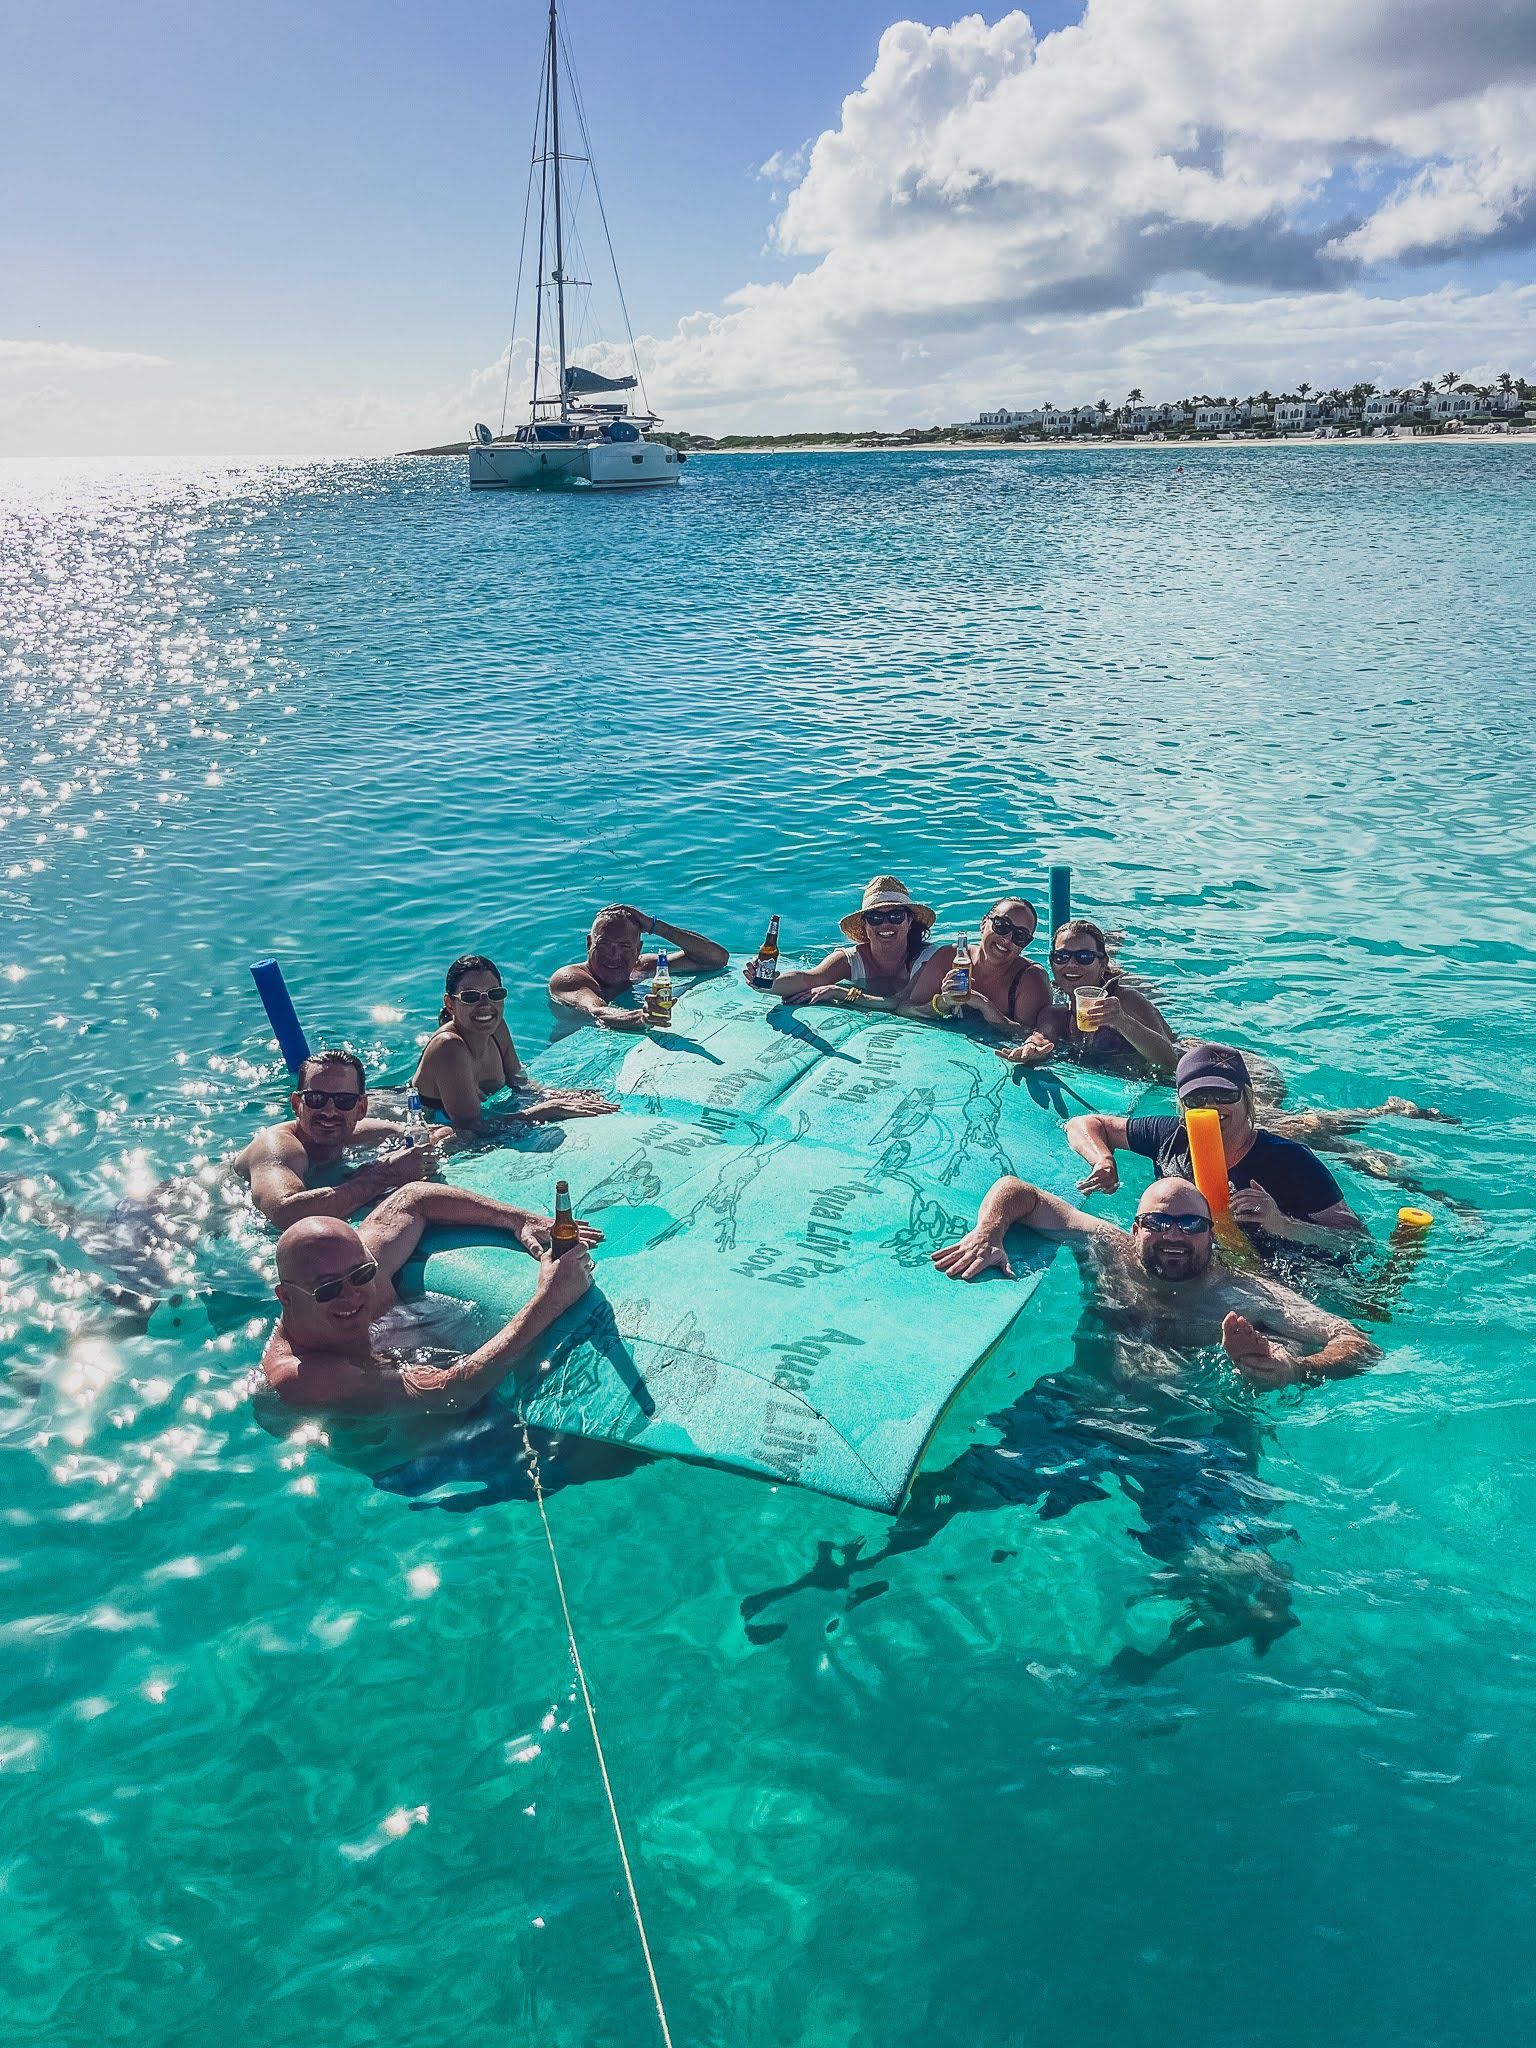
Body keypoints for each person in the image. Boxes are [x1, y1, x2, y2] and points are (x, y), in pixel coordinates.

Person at [739, 1174, 1375, 1673]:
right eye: (1158, 1222)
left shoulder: (1245, 1297)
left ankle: (1167, 1660)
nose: (1174, 1235)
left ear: (1211, 1234)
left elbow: (1355, 1343)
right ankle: (848, 1573)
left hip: (1190, 1439)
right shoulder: (1108, 1250)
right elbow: (1019, 1192)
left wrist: (1295, 1369)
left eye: (1190, 1224)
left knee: (1251, 1590)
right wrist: (988, 1232)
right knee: (949, 1491)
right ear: (1137, 1226)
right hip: (1077, 1412)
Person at [259, 1182, 602, 1414]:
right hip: (415, 1472)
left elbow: (413, 1198)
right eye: (328, 1289)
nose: (351, 1295)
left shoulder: (357, 1268)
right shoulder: (301, 1377)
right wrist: (551, 1298)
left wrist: (517, 1219)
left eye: (361, 1275)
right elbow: (451, 1393)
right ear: (286, 1297)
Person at [1065, 1042, 1364, 1253]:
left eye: (1224, 1095)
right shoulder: (1169, 1136)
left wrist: (1283, 1224)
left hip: (1279, 1269)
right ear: (1182, 1105)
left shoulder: (1289, 1160)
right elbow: (1083, 1124)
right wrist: (1103, 1159)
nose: (1212, 1106)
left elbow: (1355, 1238)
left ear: (1247, 1098)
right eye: (1197, 1098)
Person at [235, 1049, 437, 1229]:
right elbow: (284, 1213)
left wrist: (418, 1154)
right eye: (316, 1098)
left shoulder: (359, 1134)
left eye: (344, 1100)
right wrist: (386, 1174)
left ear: (361, 1108)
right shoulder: (277, 1147)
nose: (329, 1111)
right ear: (296, 1104)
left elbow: (441, 1133)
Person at [414, 954, 617, 1130]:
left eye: (495, 994)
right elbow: (473, 1126)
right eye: (471, 997)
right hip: (426, 1119)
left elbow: (520, 1083)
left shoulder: (497, 1027)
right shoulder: (449, 1047)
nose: (485, 1005)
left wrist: (557, 1096)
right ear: (450, 1004)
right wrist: (548, 1110)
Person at [1001, 918, 1180, 1072]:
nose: (1071, 964)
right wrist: (1030, 1047)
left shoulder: (1126, 1001)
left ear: (1102, 964)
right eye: (1061, 956)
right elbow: (1042, 1037)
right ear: (1052, 963)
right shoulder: (1055, 1015)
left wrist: (1122, 1021)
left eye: (1084, 957)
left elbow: (1170, 1061)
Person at [765, 876, 953, 1012]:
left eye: (895, 916)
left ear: (909, 921)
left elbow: (901, 1003)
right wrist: (765, 982)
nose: (885, 924)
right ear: (865, 925)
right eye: (875, 918)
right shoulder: (850, 960)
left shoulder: (929, 960)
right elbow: (808, 979)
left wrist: (841, 992)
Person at [549, 904, 729, 1029]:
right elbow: (596, 1010)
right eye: (603, 945)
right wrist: (641, 1017)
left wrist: (655, 926)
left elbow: (716, 958)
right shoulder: (570, 979)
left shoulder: (642, 967)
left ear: (638, 949)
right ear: (590, 944)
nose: (613, 955)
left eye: (625, 947)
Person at [929, 896, 1052, 1034]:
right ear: (983, 923)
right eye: (1002, 925)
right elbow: (910, 1009)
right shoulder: (948, 957)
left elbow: (1032, 1036)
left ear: (1025, 945)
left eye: (1020, 936)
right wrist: (942, 1003)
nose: (1007, 939)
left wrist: (984, 1005)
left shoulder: (1030, 980)